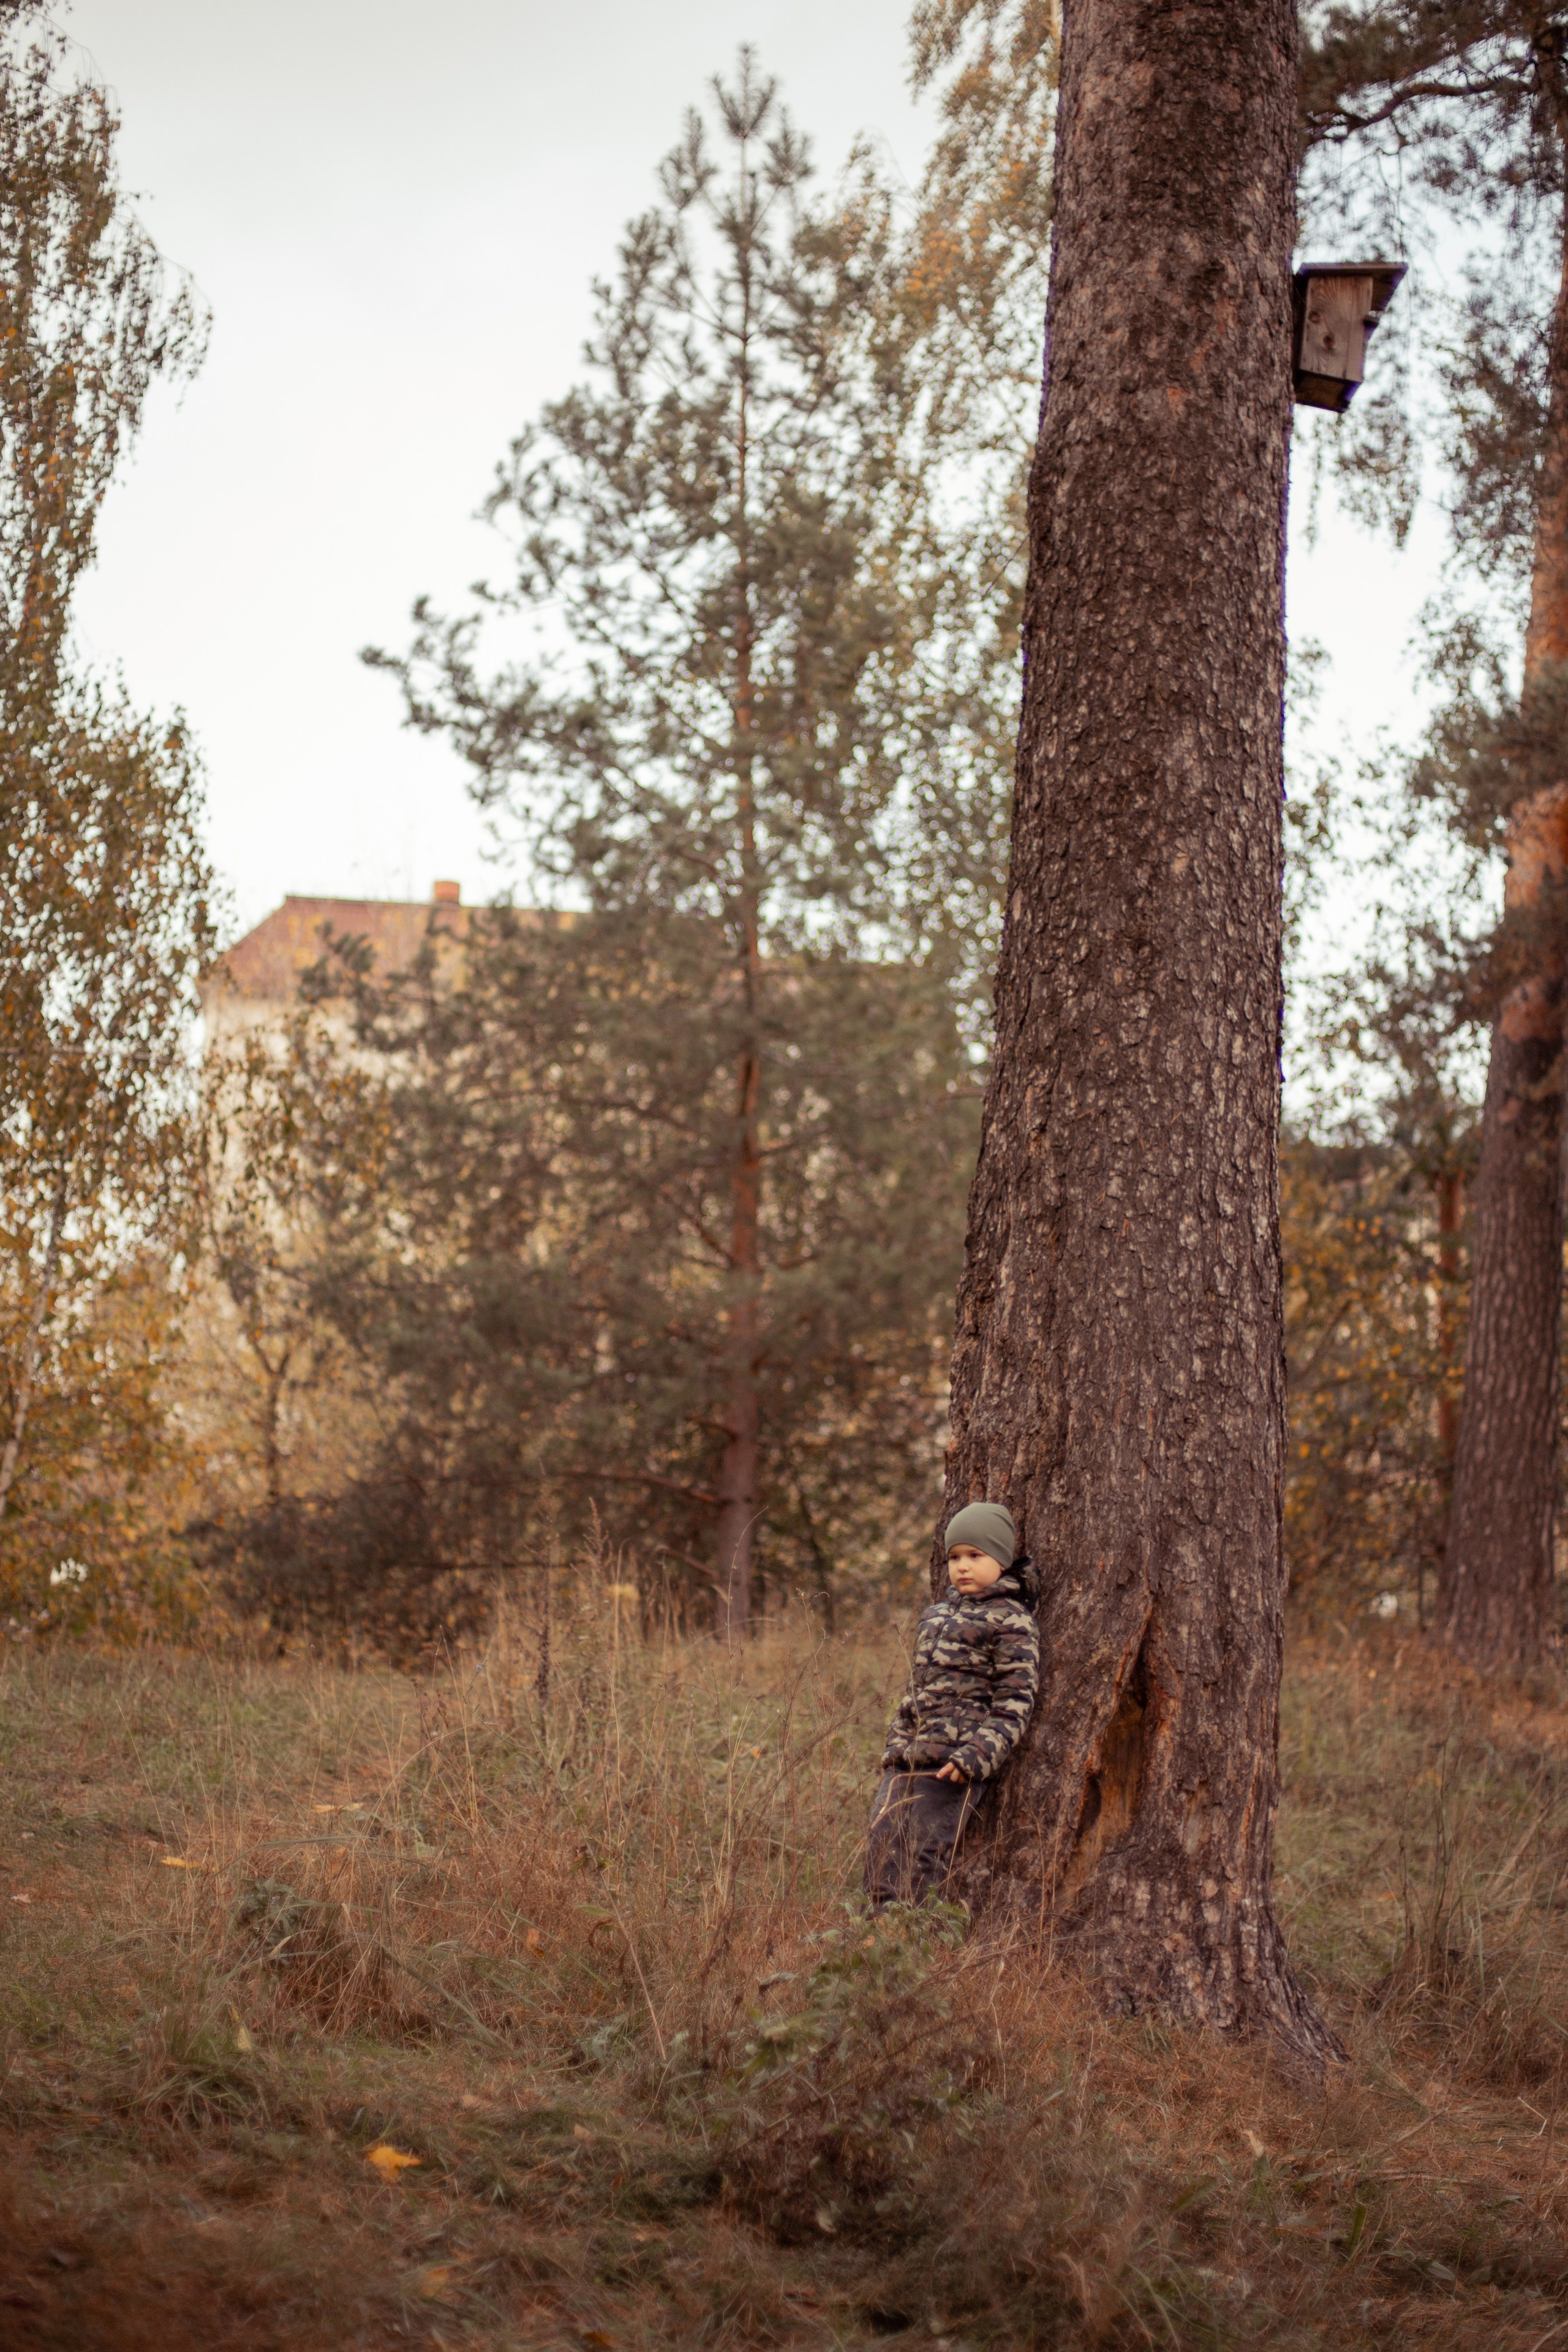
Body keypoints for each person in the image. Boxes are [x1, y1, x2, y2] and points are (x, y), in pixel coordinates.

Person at [864, 1501, 1040, 1909]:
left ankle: (908, 1941)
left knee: (922, 1853)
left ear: (1001, 1559)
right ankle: (875, 1941)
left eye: (975, 1556)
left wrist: (976, 1757)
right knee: (881, 1844)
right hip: (907, 1760)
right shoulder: (935, 1615)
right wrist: (896, 1746)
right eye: (954, 1557)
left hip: (953, 1766)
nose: (962, 1566)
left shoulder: (1011, 1620)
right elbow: (916, 1690)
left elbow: (1015, 1700)